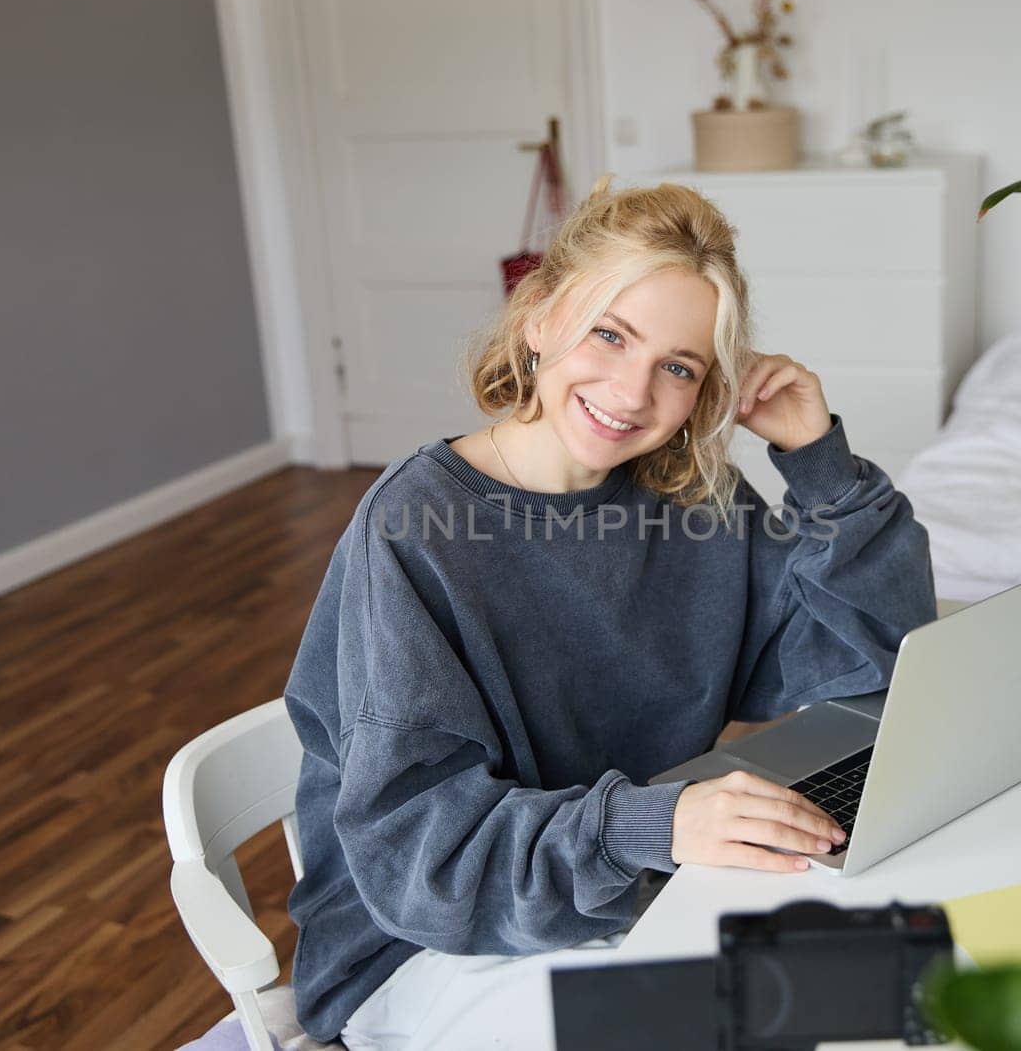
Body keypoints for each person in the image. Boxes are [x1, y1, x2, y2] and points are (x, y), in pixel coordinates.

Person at [281, 177, 937, 1049]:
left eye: (677, 366)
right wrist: (653, 824)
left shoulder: (695, 500)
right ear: (541, 316)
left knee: (881, 985)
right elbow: (420, 860)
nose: (632, 393)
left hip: (627, 889)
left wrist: (818, 462)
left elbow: (868, 664)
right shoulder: (415, 528)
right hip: (424, 948)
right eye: (610, 334)